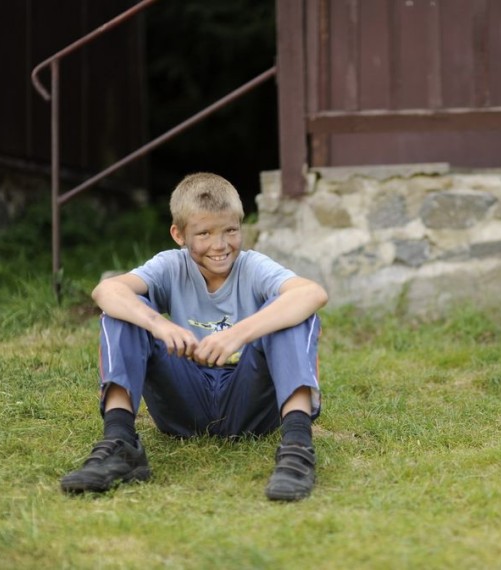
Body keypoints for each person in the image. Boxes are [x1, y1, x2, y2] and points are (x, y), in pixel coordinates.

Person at [60, 172, 328, 501]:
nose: (220, 245)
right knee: (124, 311)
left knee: (293, 312)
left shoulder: (253, 267)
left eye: (230, 230)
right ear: (179, 234)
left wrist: (238, 334)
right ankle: (120, 444)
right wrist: (159, 324)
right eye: (204, 233)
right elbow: (107, 290)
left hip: (249, 404)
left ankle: (297, 447)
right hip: (184, 402)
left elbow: (312, 293)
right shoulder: (170, 266)